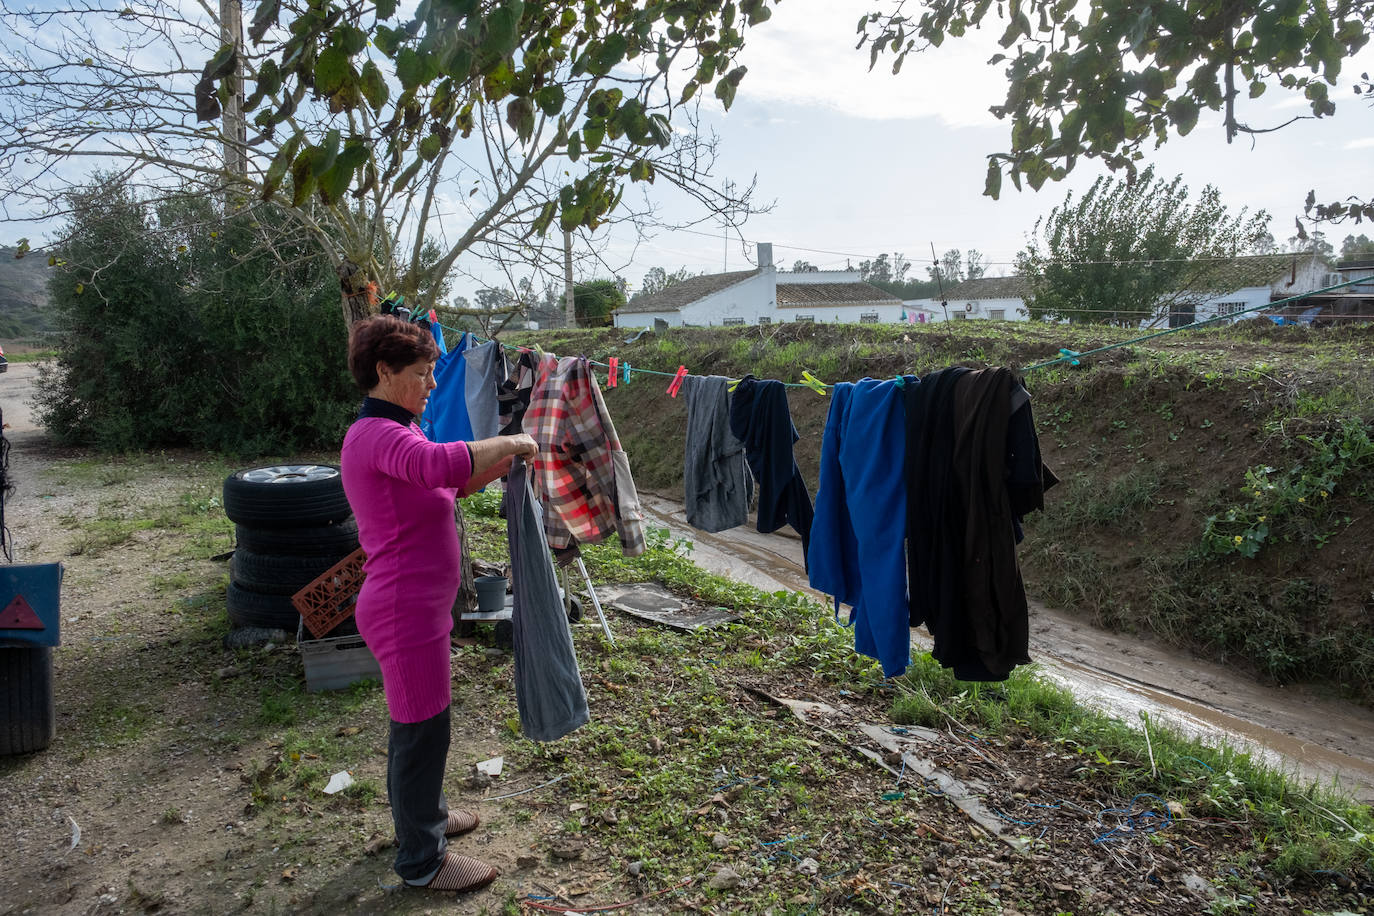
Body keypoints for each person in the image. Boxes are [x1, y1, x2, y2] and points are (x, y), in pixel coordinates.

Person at [340, 315, 537, 893]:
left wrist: (499, 467)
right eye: (423, 375)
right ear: (384, 371)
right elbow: (433, 467)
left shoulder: (400, 429)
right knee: (420, 733)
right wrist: (512, 439)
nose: (431, 385)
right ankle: (422, 860)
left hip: (417, 609)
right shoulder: (381, 436)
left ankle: (428, 816)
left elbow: (441, 484)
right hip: (403, 611)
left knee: (428, 727)